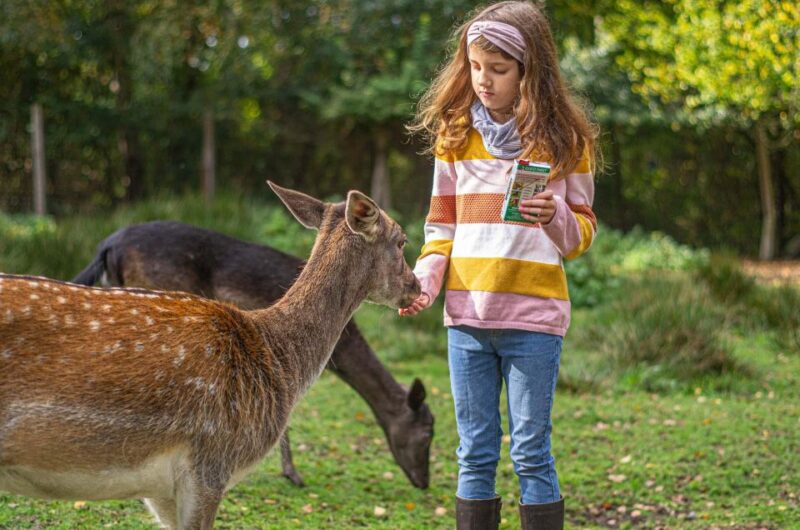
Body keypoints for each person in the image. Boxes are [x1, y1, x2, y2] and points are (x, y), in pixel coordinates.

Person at [400, 2, 600, 529]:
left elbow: (581, 233)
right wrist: (426, 279)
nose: (482, 81)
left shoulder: (566, 143)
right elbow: (440, 227)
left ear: (529, 71)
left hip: (534, 322)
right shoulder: (454, 135)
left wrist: (555, 215)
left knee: (531, 454)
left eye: (499, 69)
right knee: (474, 454)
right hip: (467, 320)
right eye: (474, 66)